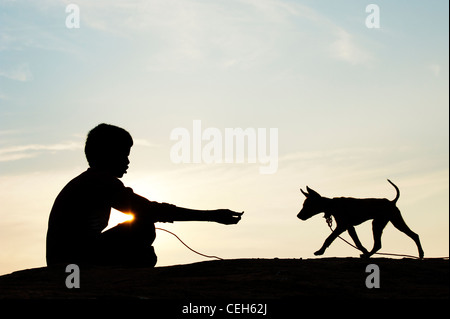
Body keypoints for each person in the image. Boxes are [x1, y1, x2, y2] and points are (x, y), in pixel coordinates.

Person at [46, 123, 243, 267]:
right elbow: (149, 210)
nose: (128, 161)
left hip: (69, 259)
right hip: (72, 262)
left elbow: (147, 209)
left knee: (144, 251)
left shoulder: (90, 181)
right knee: (142, 229)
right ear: (108, 154)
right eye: (124, 154)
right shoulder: (99, 182)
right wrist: (210, 216)